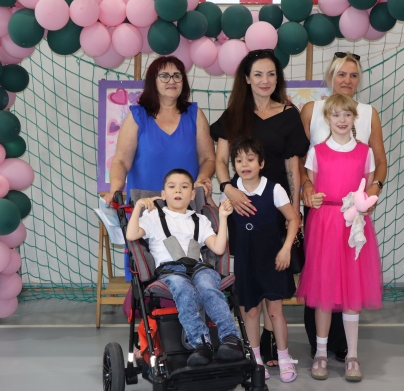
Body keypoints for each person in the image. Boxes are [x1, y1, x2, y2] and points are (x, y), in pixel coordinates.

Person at [211, 49, 309, 367]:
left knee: (273, 280)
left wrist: (294, 213)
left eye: (271, 74)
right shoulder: (234, 115)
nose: (265, 80)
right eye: (258, 74)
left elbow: (293, 169)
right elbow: (220, 161)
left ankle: (273, 348)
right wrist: (228, 189)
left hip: (276, 209)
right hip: (242, 209)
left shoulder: (289, 114)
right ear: (247, 78)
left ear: (277, 79)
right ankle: (254, 351)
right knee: (251, 278)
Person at [298, 52, 387, 362]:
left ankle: (343, 347)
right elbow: (299, 158)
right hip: (320, 207)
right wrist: (306, 187)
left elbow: (379, 160)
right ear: (330, 77)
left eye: (353, 75)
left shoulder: (368, 113)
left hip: (352, 210)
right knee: (321, 277)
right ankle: (319, 346)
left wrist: (374, 190)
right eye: (341, 74)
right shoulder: (311, 110)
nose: (347, 80)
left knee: (349, 277)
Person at [126, 169, 244, 367]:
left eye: (184, 187)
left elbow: (218, 248)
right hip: (170, 271)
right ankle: (201, 343)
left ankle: (231, 338)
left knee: (208, 286)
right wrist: (138, 207)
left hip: (199, 268)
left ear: (192, 195)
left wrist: (223, 217)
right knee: (183, 289)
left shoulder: (200, 220)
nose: (178, 190)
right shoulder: (152, 216)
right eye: (172, 187)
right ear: (163, 194)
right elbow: (131, 235)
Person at [221, 138, 300, 382]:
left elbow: (293, 219)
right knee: (251, 311)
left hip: (273, 260)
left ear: (261, 163)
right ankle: (255, 360)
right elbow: (220, 218)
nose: (244, 165)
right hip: (246, 262)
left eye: (250, 159)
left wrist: (286, 249)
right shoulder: (231, 191)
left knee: (275, 312)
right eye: (238, 160)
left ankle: (284, 357)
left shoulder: (274, 189)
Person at [105, 56, 216, 204]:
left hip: (187, 206)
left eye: (177, 76)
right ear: (153, 82)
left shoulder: (195, 115)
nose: (172, 81)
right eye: (164, 76)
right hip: (145, 206)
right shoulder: (137, 116)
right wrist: (114, 190)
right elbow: (121, 161)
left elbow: (208, 159)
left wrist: (202, 178)